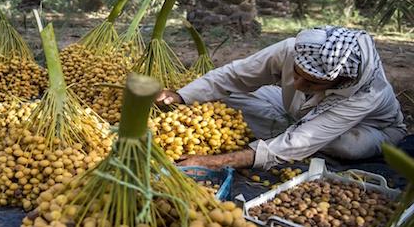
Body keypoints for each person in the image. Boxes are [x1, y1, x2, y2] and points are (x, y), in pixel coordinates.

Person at [157, 26, 407, 170]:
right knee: (222, 99)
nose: (297, 84)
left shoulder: (366, 93)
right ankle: (281, 135)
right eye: (296, 74)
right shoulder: (293, 49)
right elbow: (234, 76)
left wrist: (219, 161)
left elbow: (302, 140)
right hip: (299, 110)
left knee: (346, 146)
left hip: (369, 129)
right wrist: (181, 96)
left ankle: (280, 139)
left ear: (341, 80)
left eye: (311, 82)